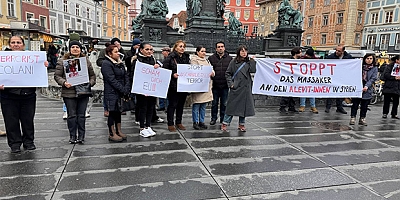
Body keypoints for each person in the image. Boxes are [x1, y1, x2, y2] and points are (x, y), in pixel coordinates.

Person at [0, 36, 48, 153]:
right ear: (10, 45)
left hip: (28, 95)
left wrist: (44, 65)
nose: (16, 44)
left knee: (27, 120)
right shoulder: (2, 58)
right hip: (8, 95)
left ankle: (29, 142)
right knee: (11, 121)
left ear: (23, 45)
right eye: (13, 42)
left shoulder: (32, 58)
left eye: (18, 42)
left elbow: (39, 72)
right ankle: (15, 143)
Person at [54, 40, 96, 144]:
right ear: (70, 49)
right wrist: (64, 83)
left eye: (77, 47)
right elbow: (57, 76)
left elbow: (92, 76)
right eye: (73, 47)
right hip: (69, 92)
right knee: (71, 115)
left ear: (81, 49)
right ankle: (72, 136)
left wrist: (89, 84)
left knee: (81, 115)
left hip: (83, 92)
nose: (75, 49)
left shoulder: (85, 60)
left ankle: (81, 136)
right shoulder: (62, 61)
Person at [221, 45, 256, 132]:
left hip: (246, 88)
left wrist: (253, 61)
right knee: (231, 107)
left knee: (243, 108)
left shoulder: (249, 61)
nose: (244, 53)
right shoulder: (234, 61)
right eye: (242, 51)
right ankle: (225, 123)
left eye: (245, 51)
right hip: (236, 88)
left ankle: (241, 124)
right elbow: (228, 73)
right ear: (239, 52)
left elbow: (253, 70)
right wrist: (231, 84)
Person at [101, 44, 131, 142]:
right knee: (112, 112)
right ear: (110, 54)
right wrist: (122, 89)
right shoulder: (106, 64)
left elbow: (126, 76)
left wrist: (126, 87)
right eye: (115, 52)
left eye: (118, 51)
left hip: (120, 92)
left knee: (118, 111)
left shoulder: (120, 63)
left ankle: (119, 130)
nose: (118, 54)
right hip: (112, 92)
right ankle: (111, 132)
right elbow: (111, 79)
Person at [130, 42, 160, 137]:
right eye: (147, 49)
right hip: (141, 89)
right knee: (143, 108)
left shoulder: (153, 59)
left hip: (151, 88)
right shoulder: (137, 60)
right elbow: (133, 75)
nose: (149, 51)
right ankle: (142, 127)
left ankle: (148, 126)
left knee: (151, 107)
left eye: (151, 49)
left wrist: (157, 67)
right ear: (141, 50)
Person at [163, 40, 190, 132]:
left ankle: (179, 122)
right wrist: (173, 74)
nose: (182, 48)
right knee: (172, 105)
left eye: (183, 47)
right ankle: (170, 123)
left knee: (181, 105)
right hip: (173, 86)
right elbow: (165, 70)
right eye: (180, 46)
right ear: (175, 48)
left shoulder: (186, 57)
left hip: (183, 85)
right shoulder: (170, 58)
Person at [190, 45, 215, 130]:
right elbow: (195, 71)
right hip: (198, 86)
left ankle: (201, 121)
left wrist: (212, 73)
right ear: (197, 52)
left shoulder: (207, 60)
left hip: (206, 85)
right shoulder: (194, 60)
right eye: (202, 51)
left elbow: (212, 70)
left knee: (203, 106)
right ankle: (195, 122)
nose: (204, 53)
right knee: (196, 105)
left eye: (205, 51)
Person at [208, 41, 233, 125]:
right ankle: (213, 118)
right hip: (215, 85)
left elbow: (232, 71)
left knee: (224, 104)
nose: (220, 48)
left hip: (225, 85)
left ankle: (223, 119)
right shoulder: (211, 58)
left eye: (222, 46)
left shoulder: (229, 59)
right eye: (218, 47)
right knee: (214, 103)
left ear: (224, 48)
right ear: (216, 48)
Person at [349, 54, 378, 125]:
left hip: (367, 88)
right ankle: (353, 118)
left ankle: (362, 118)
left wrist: (367, 86)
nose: (369, 60)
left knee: (364, 105)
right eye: (367, 58)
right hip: (358, 86)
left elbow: (373, 78)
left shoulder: (374, 68)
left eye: (371, 58)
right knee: (355, 104)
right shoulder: (360, 66)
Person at [325, 45, 353, 114]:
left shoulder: (348, 57)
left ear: (343, 51)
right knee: (330, 92)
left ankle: (339, 107)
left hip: (342, 77)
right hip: (333, 77)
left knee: (340, 93)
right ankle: (328, 107)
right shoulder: (331, 57)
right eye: (336, 50)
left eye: (339, 51)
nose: (337, 52)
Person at [279, 47, 301, 114]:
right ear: (296, 53)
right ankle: (282, 107)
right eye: (300, 52)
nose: (301, 53)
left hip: (295, 79)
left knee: (293, 94)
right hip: (289, 79)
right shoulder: (290, 60)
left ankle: (291, 107)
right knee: (286, 94)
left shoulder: (300, 61)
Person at [299, 48, 318, 114]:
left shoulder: (316, 60)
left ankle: (313, 106)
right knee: (303, 92)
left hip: (312, 78)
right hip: (304, 78)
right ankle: (302, 106)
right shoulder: (302, 59)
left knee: (312, 92)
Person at [382, 55, 400, 119]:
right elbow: (386, 75)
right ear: (396, 60)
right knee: (387, 101)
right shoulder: (389, 66)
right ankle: (385, 113)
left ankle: (394, 113)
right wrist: (394, 77)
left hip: (397, 87)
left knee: (396, 101)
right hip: (389, 85)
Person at [157, 46, 171, 111]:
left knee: (167, 94)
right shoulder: (163, 59)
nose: (162, 52)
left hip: (168, 78)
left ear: (167, 52)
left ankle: (167, 107)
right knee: (161, 92)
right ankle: (162, 105)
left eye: (163, 51)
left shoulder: (169, 59)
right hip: (162, 78)